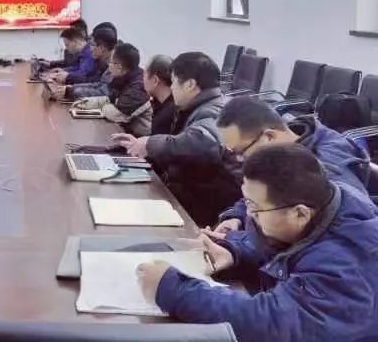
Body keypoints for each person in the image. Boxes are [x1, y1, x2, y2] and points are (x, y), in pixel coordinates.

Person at [136, 144, 378, 342]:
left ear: (300, 213)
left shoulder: (347, 260)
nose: (249, 215)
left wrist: (175, 291)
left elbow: (273, 324)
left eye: (255, 207)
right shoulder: (325, 205)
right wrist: (234, 252)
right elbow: (285, 249)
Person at [114, 52, 241, 227]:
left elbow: (202, 143)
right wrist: (141, 143)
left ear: (190, 84)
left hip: (210, 209)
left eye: (173, 82)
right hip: (198, 196)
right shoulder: (202, 106)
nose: (172, 87)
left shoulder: (214, 110)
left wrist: (150, 144)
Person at [212, 96, 370, 235]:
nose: (239, 159)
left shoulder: (328, 170)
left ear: (269, 136)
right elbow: (261, 195)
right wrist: (236, 217)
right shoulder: (281, 152)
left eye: (241, 151)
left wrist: (236, 242)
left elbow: (336, 235)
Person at [73, 42, 152, 136]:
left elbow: (116, 114)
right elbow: (110, 98)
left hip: (141, 138)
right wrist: (86, 102)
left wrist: (102, 106)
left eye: (110, 62)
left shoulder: (138, 86)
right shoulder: (123, 79)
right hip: (127, 132)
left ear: (119, 67)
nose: (108, 65)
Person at [54, 27, 118, 100]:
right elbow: (99, 84)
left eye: (92, 45)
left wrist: (71, 91)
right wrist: (72, 87)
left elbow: (104, 92)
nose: (90, 49)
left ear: (101, 48)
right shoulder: (104, 63)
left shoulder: (115, 65)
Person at [143, 54, 175, 135]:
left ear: (155, 80)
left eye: (144, 76)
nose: (142, 80)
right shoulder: (169, 103)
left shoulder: (166, 117)